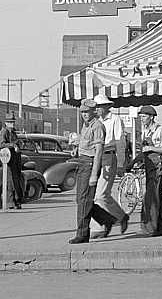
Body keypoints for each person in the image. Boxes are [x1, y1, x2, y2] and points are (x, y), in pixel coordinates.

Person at [69, 98, 118, 245]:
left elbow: (98, 152)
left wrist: (93, 174)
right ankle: (106, 219)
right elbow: (86, 144)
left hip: (90, 164)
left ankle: (82, 233)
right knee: (81, 200)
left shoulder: (97, 126)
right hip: (83, 162)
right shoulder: (86, 126)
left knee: (84, 200)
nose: (84, 114)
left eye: (87, 112)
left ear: (93, 112)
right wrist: (77, 149)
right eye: (82, 112)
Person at [91, 93, 129, 237]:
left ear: (107, 107)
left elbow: (120, 142)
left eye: (100, 106)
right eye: (97, 107)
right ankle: (109, 221)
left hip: (108, 156)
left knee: (100, 194)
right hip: (96, 158)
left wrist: (120, 163)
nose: (98, 109)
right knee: (99, 194)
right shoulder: (94, 121)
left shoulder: (115, 120)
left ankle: (106, 223)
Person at [137, 105, 162, 236]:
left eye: (144, 116)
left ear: (151, 117)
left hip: (157, 167)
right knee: (155, 196)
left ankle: (150, 228)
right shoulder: (145, 130)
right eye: (141, 116)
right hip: (149, 166)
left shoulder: (160, 129)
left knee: (151, 197)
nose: (142, 119)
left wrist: (151, 148)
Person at [0, 113, 24, 209]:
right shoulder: (4, 132)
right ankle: (11, 202)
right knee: (11, 181)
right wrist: (13, 145)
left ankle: (17, 201)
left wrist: (19, 143)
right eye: (10, 122)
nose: (12, 124)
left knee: (16, 180)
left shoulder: (13, 132)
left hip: (16, 159)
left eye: (13, 122)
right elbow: (1, 144)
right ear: (6, 123)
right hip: (9, 160)